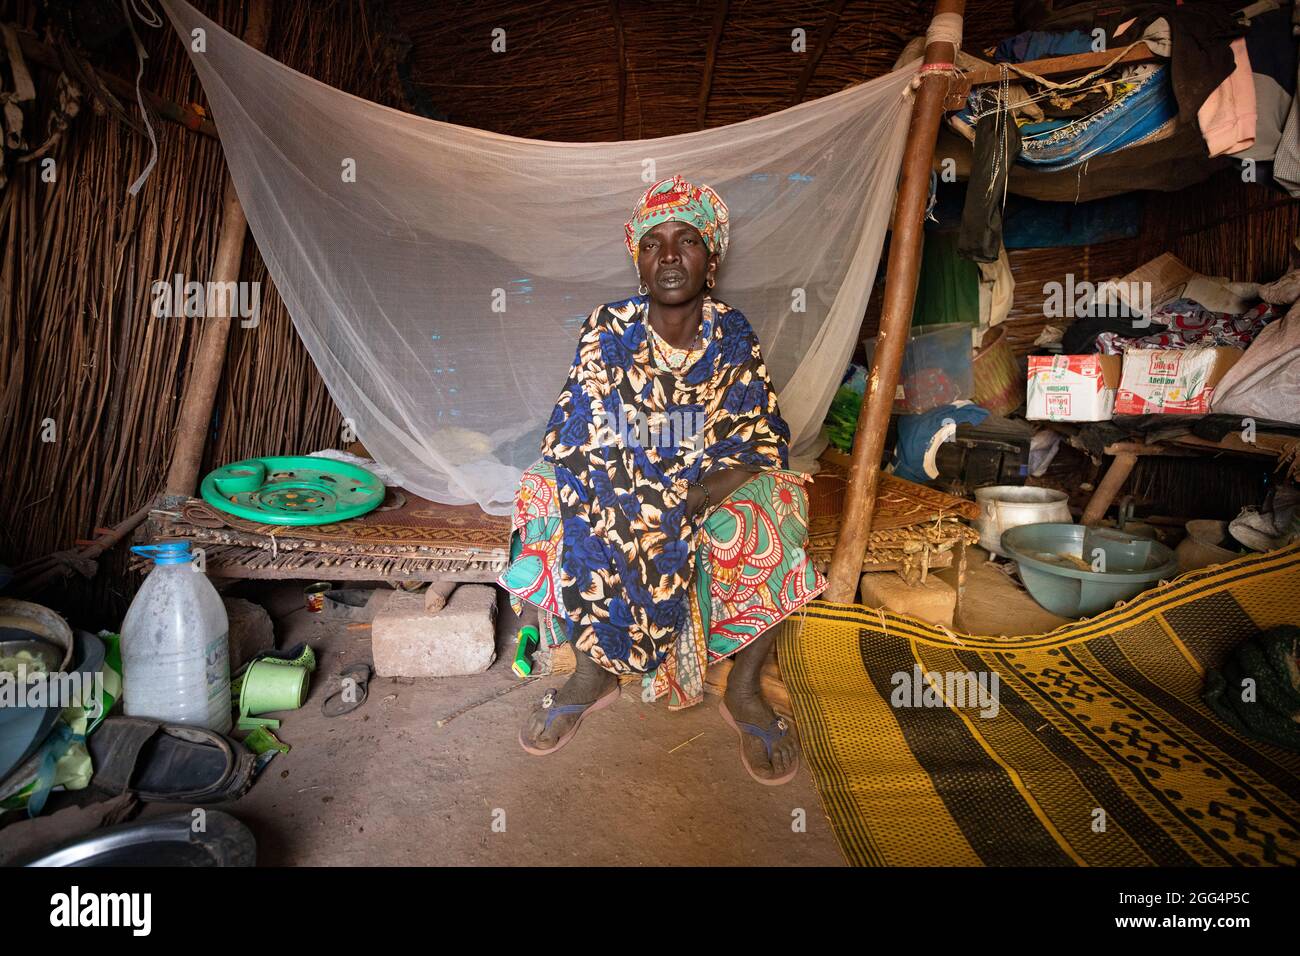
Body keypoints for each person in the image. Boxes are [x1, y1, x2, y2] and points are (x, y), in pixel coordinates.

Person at [497, 175, 826, 784]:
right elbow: (579, 430)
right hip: (614, 470)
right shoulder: (608, 327)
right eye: (652, 244)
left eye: (687, 240)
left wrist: (697, 493)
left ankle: (745, 688)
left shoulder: (732, 334)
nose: (669, 256)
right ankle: (592, 670)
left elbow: (756, 437)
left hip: (707, 474)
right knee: (542, 490)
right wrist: (647, 485)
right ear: (638, 261)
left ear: (713, 259)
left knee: (781, 505)